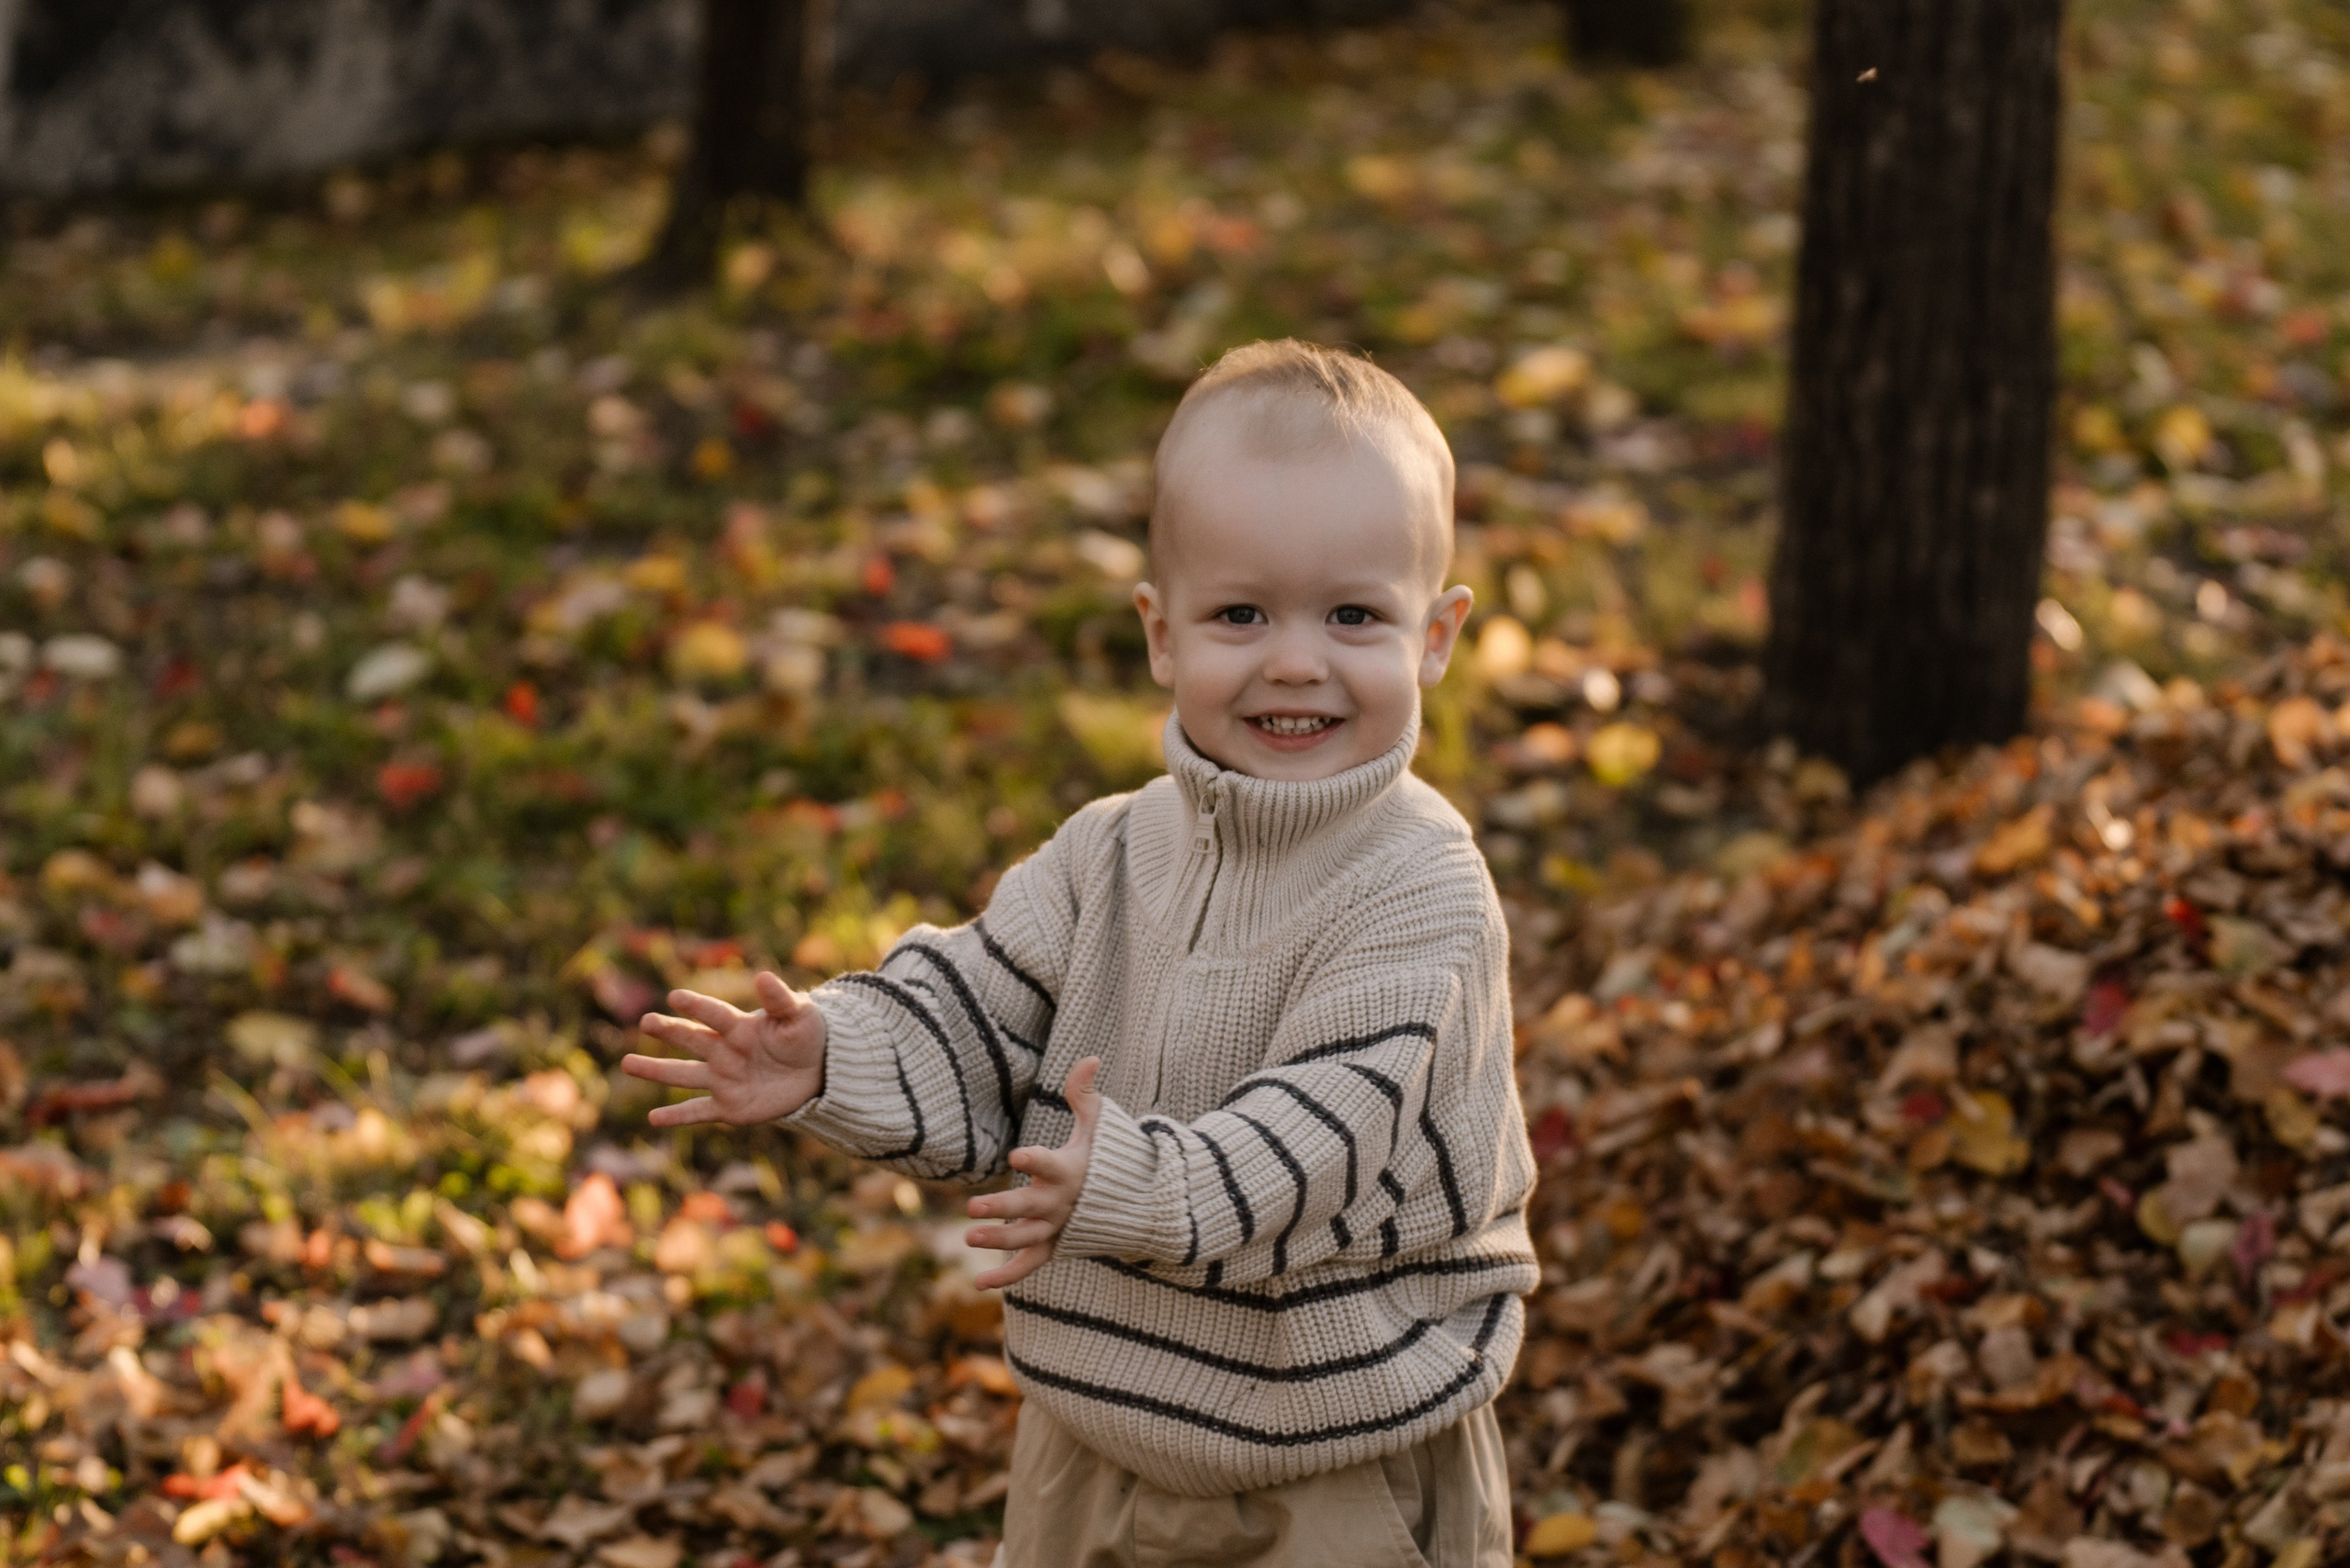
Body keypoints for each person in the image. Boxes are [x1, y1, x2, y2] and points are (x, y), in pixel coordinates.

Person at [623, 340, 1539, 1566]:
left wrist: (1125, 1183)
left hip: (1338, 1461)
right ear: (1161, 634)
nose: (1295, 659)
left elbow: (1320, 1137)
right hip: (1094, 1441)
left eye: (1353, 615)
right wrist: (837, 1054)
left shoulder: (1421, 893)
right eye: (1241, 614)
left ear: (1436, 635)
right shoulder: (1108, 852)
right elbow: (976, 1010)